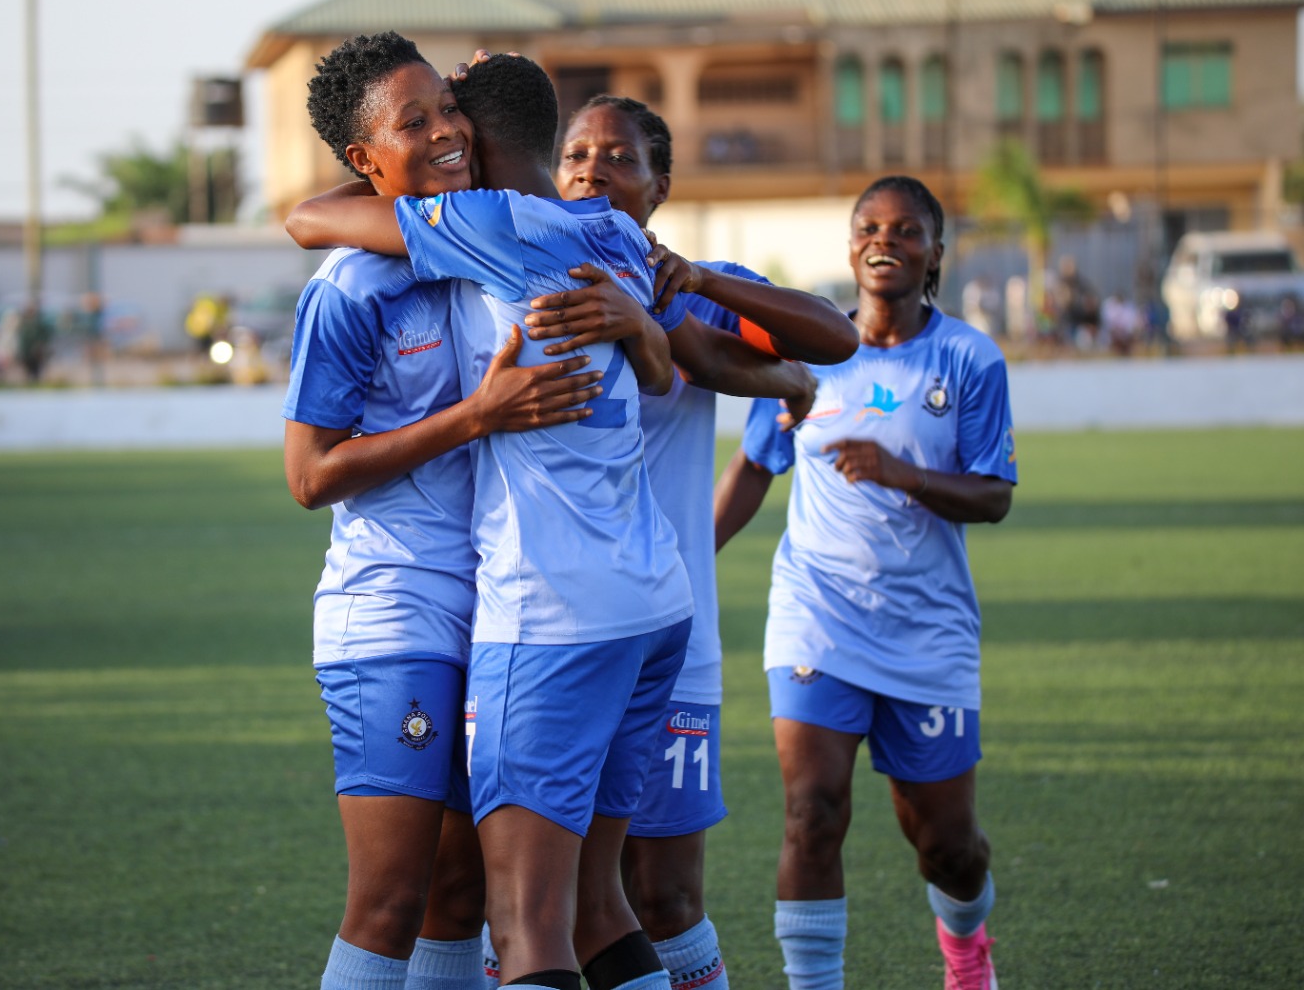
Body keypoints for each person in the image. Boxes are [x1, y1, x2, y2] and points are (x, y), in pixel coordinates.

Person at [289, 51, 701, 990]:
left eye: (448, 113)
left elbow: (303, 213)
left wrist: (643, 331)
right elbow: (308, 475)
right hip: (401, 610)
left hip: (530, 611)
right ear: (365, 155)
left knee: (496, 902)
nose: (440, 133)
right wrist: (485, 411)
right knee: (409, 900)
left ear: (478, 132)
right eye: (417, 122)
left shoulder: (480, 234)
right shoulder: (358, 284)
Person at [519, 91, 857, 990]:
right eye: (576, 155)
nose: (592, 169)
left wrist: (700, 289)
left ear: (660, 184)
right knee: (531, 899)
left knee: (663, 897)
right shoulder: (520, 273)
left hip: (672, 637)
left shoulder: (688, 283)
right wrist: (768, 374)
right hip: (543, 628)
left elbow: (835, 337)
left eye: (619, 157)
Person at [714, 176, 1017, 990]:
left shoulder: (968, 359)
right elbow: (752, 468)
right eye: (869, 227)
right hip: (818, 616)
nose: (886, 241)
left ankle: (966, 949)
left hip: (929, 632)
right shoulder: (803, 352)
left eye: (908, 231)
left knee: (947, 847)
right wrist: (685, 561)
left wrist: (898, 473)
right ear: (850, 247)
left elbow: (994, 495)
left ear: (935, 255)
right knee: (813, 811)